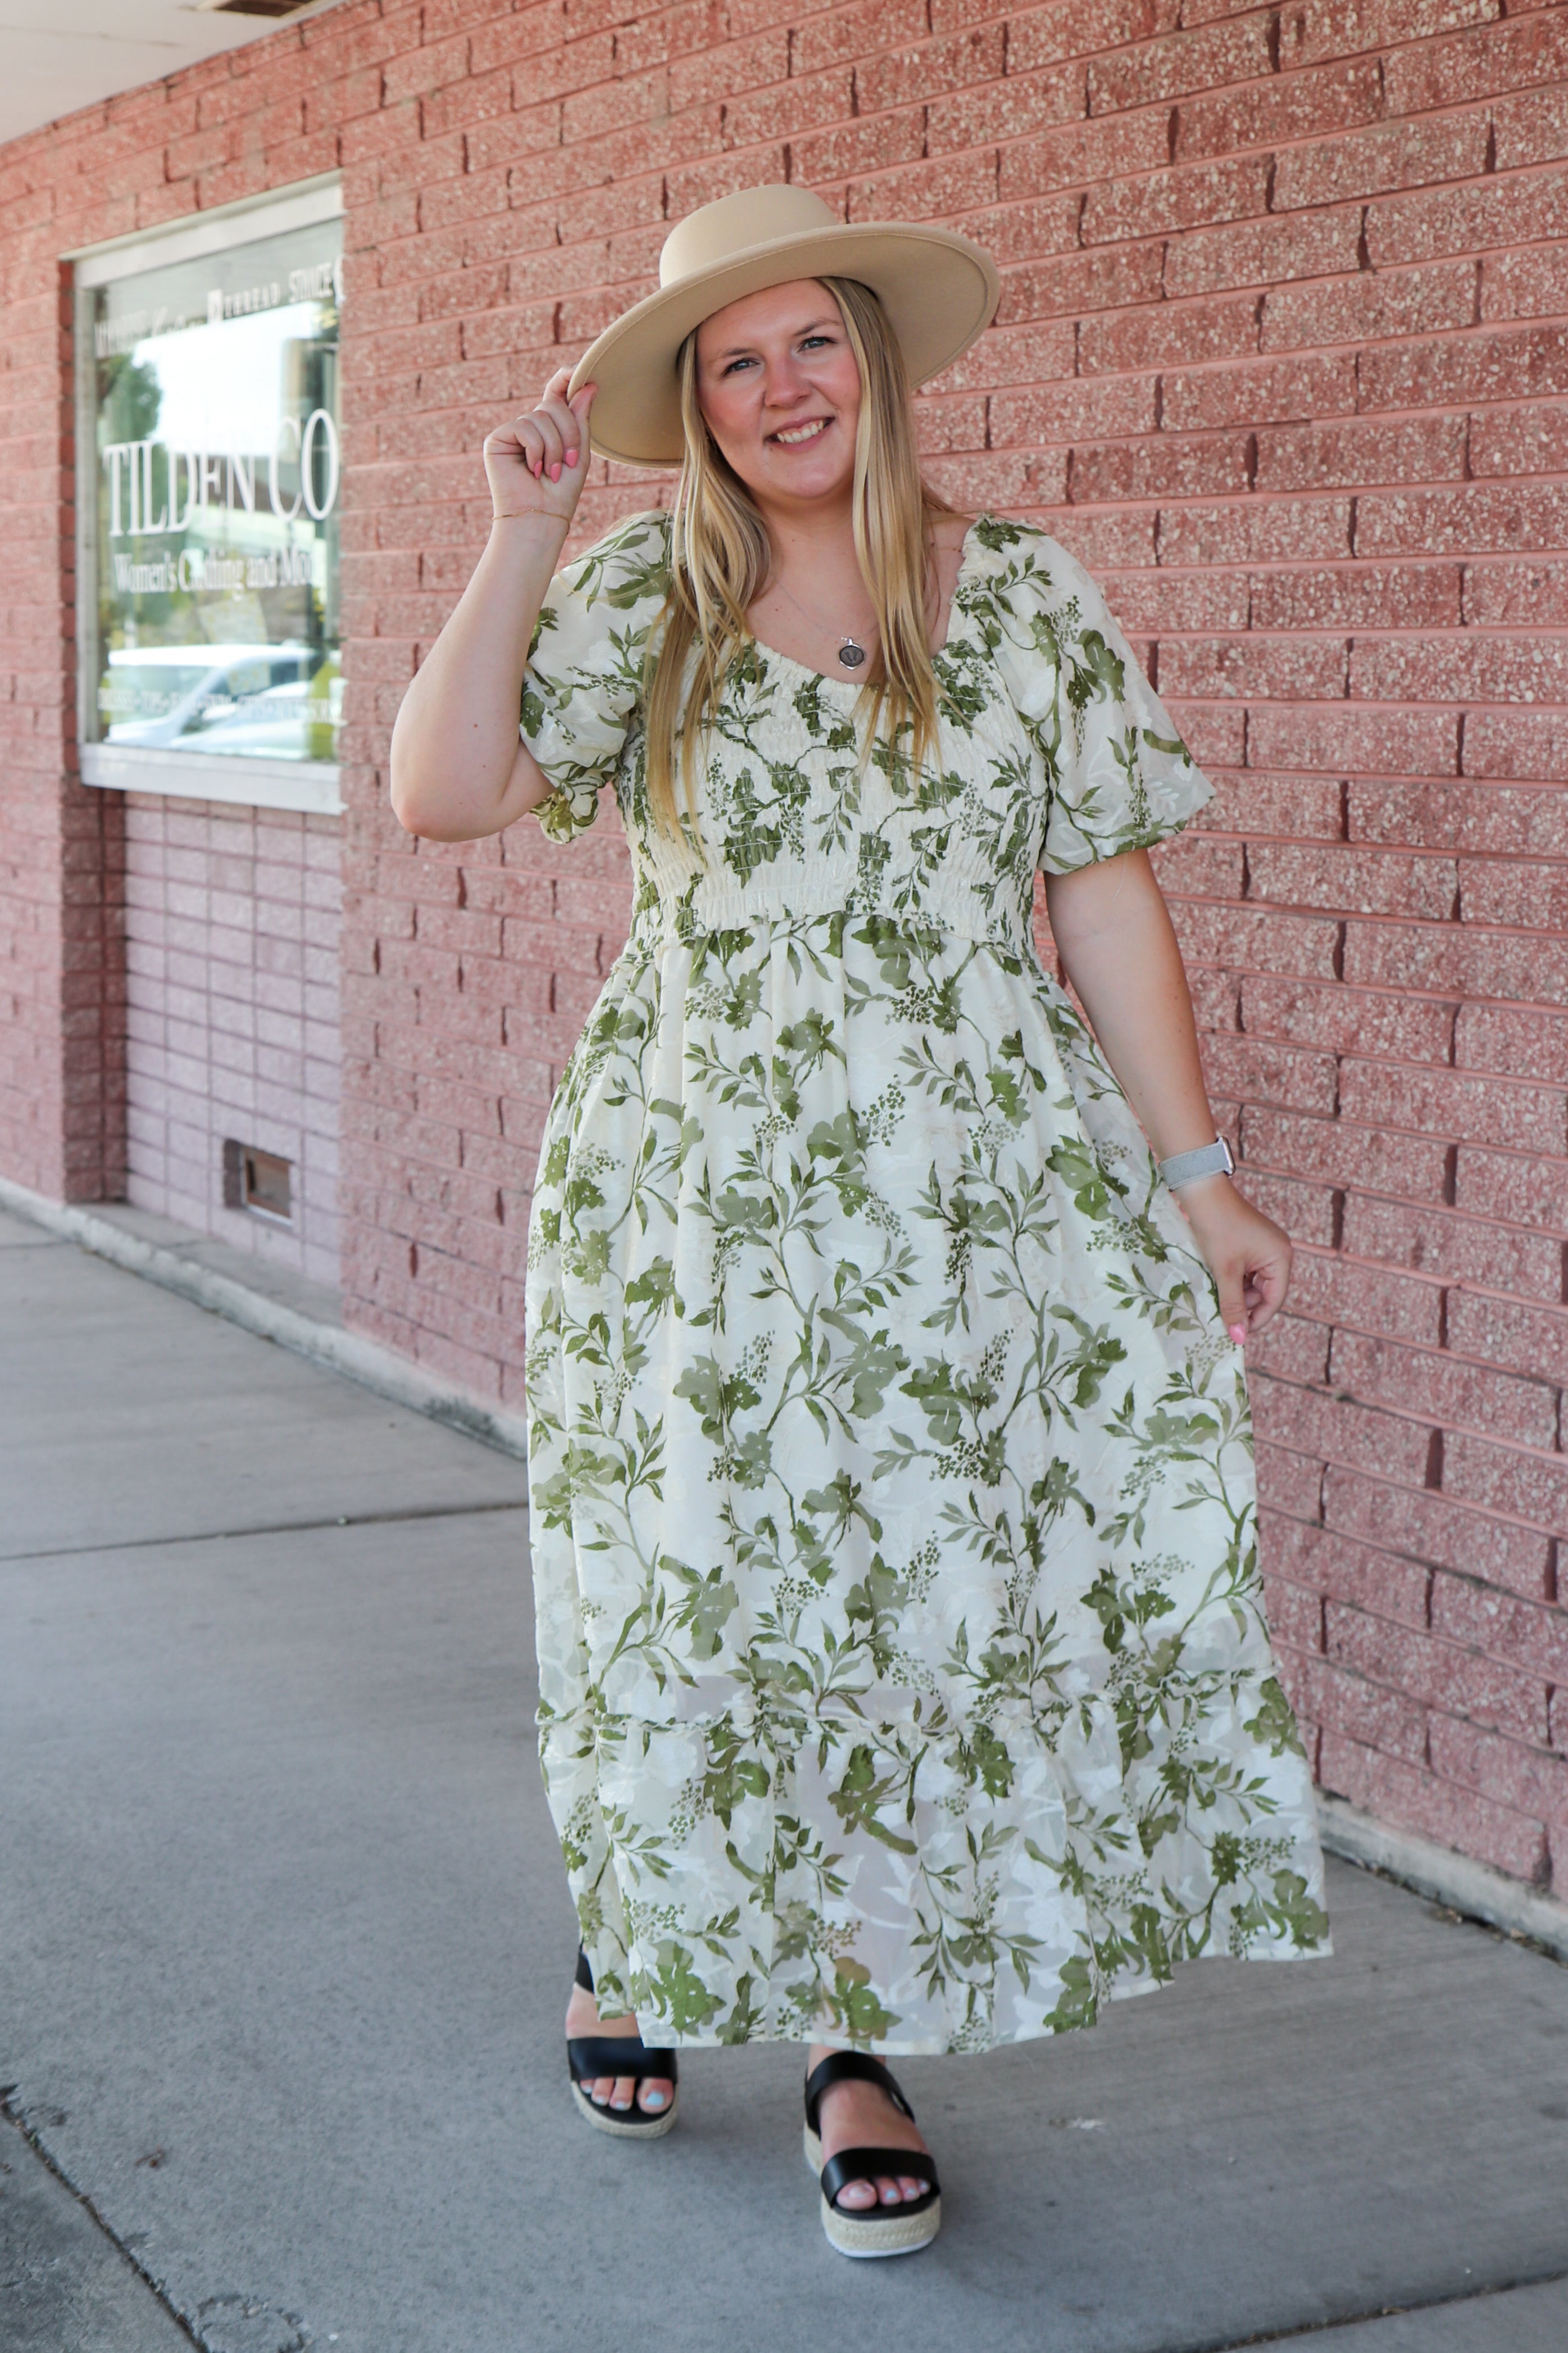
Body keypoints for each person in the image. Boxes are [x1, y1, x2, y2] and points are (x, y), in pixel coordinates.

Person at [390, 184, 1329, 2261]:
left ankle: (845, 2036)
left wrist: (1200, 1177)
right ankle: (635, 1929)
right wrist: (521, 531)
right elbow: (440, 792)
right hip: (700, 1175)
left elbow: (1100, 885)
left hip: (974, 1182)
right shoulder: (645, 598)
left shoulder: (1026, 596)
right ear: (693, 407)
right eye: (733, 361)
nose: (780, 385)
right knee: (702, 1574)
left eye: (811, 341)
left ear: (877, 366)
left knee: (915, 1589)